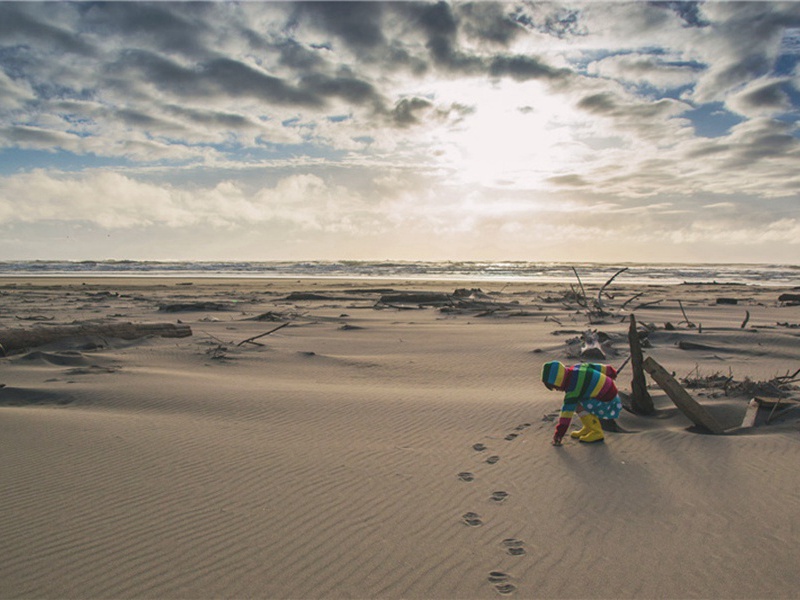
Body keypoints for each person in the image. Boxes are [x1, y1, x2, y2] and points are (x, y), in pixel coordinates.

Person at [541, 361, 622, 446]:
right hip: (609, 389)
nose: (557, 390)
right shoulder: (576, 368)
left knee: (579, 405)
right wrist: (611, 372)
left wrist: (559, 434)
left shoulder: (573, 388)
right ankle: (588, 427)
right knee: (580, 401)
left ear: (559, 380)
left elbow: (566, 414)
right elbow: (595, 367)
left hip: (607, 399)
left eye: (555, 387)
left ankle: (596, 432)